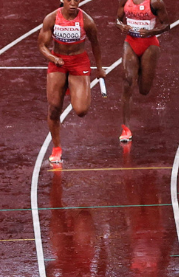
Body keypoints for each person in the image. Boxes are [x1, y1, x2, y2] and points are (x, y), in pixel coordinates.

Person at [39, 0, 105, 164]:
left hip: (79, 62)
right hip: (58, 63)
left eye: (77, 0)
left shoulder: (87, 21)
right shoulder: (51, 18)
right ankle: (56, 148)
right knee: (54, 108)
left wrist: (100, 68)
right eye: (69, 0)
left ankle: (73, 86)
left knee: (81, 110)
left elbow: (95, 43)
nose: (73, 3)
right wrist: (54, 58)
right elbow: (42, 46)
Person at [117, 0, 170, 142]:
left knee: (144, 89)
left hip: (149, 45)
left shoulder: (156, 3)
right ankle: (126, 128)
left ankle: (140, 68)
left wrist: (152, 31)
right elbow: (117, 19)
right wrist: (121, 26)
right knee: (128, 82)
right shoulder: (125, 0)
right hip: (130, 42)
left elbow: (167, 25)